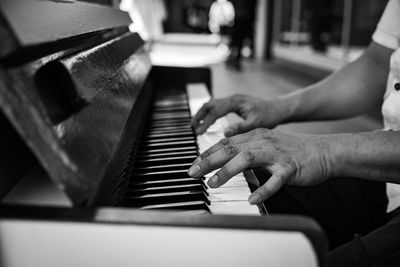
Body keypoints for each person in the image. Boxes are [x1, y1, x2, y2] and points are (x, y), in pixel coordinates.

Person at [188, 0, 400, 266]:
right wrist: (279, 107)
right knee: (246, 181)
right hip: (387, 178)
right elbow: (377, 65)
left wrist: (324, 152)